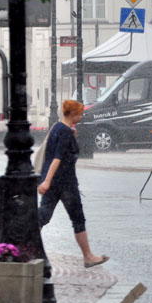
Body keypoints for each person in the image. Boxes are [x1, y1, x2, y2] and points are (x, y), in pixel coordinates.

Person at [38, 99, 109, 268]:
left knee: (43, 216)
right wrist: (47, 181)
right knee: (78, 219)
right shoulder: (66, 133)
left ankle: (25, 247)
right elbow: (57, 158)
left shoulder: (57, 127)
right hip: (65, 183)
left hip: (54, 182)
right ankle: (88, 256)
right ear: (73, 114)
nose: (82, 116)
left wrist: (47, 181)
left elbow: (52, 152)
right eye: (80, 113)